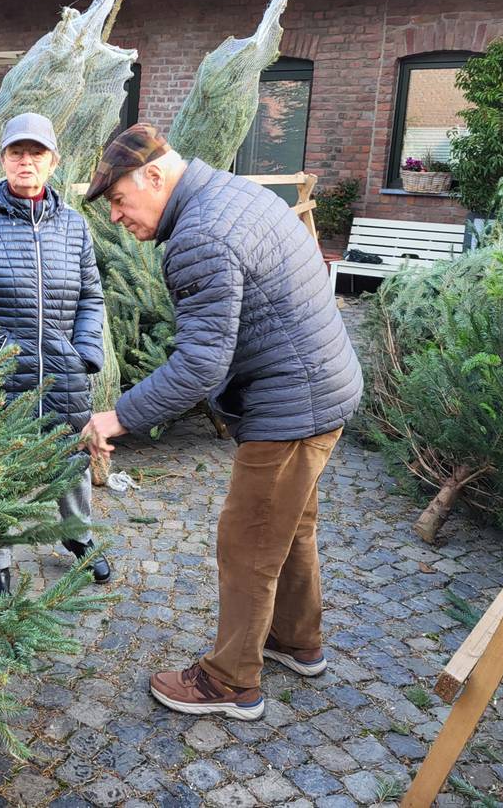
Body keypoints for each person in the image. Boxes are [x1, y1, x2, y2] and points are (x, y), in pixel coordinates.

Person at [80, 123, 362, 721]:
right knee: (291, 525)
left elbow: (200, 367)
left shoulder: (201, 236)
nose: (117, 218)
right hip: (324, 386)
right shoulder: (235, 194)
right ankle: (296, 641)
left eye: (119, 201)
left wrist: (116, 417)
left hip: (292, 405)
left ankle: (231, 681)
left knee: (249, 541)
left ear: (154, 176)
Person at [0, 112, 112, 602]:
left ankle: (78, 537)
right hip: (1, 371)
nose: (26, 161)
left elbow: (92, 297)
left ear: (53, 162)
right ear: (3, 160)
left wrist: (86, 354)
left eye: (36, 153)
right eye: (17, 152)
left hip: (64, 369)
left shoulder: (74, 226)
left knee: (72, 465)